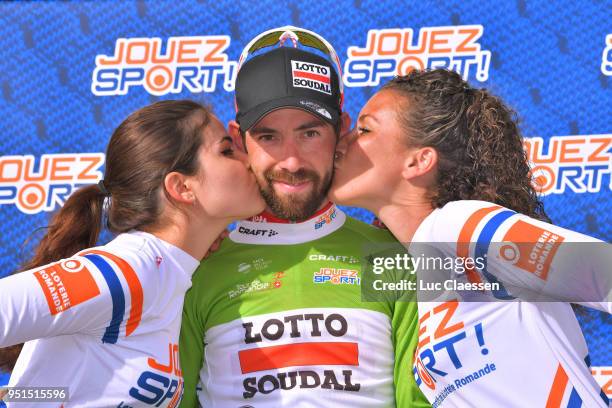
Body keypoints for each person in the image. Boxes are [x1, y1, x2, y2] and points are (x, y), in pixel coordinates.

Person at [330, 69, 611, 407]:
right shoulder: (424, 268)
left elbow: (603, 273)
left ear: (419, 161)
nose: (342, 141)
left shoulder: (461, 226)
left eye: (365, 129)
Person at [179, 27, 428, 407]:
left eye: (310, 133)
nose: (291, 161)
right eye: (268, 137)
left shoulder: (391, 257)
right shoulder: (195, 271)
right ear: (239, 138)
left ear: (342, 132)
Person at [0, 100, 265, 407]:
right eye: (227, 150)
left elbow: (64, 393)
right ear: (182, 187)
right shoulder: (127, 271)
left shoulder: (170, 275)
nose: (248, 160)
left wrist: (30, 396)